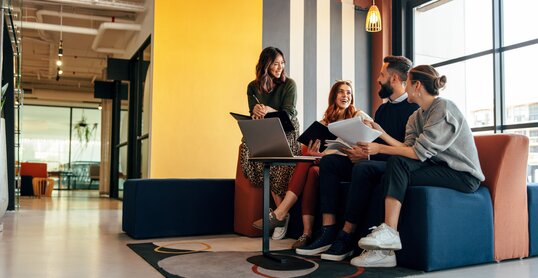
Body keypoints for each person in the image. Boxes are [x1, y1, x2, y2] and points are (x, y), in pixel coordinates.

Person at [352, 65, 484, 267]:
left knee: (396, 165)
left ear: (417, 85)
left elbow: (417, 153)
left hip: (463, 175)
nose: (404, 88)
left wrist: (379, 148)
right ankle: (385, 251)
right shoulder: (416, 116)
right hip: (438, 167)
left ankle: (389, 234)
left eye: (408, 83)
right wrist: (381, 134)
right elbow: (408, 149)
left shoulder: (444, 108)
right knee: (391, 171)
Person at [296, 56, 419, 264]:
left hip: (394, 165)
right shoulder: (382, 109)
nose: (378, 79)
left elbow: (408, 151)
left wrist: (368, 155)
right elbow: (371, 141)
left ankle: (346, 236)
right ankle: (328, 230)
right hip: (373, 159)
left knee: (363, 168)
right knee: (329, 163)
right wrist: (359, 151)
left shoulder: (413, 109)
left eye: (382, 75)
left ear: (395, 78)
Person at [251, 80, 371, 249]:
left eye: (349, 92)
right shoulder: (325, 122)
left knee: (310, 162)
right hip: (328, 164)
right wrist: (317, 154)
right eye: (341, 92)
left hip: (350, 165)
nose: (345, 96)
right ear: (334, 96)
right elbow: (316, 152)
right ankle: (306, 233)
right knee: (311, 168)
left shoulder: (359, 116)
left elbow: (372, 137)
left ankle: (281, 212)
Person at [240, 46, 301, 229]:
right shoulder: (252, 86)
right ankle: (282, 216)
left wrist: (269, 110)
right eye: (276, 63)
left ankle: (279, 216)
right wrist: (256, 111)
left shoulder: (289, 84)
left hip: (287, 130)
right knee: (247, 148)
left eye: (282, 63)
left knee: (276, 158)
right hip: (266, 129)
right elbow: (253, 113)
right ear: (266, 65)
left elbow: (289, 113)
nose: (280, 67)